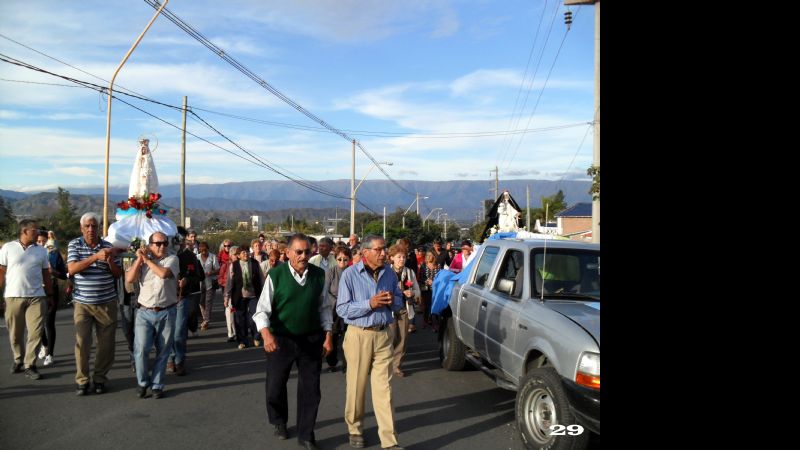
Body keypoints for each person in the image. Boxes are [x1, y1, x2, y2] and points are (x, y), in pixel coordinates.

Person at [253, 233, 333, 450]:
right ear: (287, 253)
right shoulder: (276, 275)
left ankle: (306, 434)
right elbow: (261, 310)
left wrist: (328, 335)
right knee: (275, 386)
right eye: (298, 252)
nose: (303, 256)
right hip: (281, 339)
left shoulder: (319, 275)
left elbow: (324, 307)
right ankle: (279, 420)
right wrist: (267, 334)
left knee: (311, 389)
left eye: (307, 251)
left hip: (311, 338)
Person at [336, 235, 404, 450]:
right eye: (379, 250)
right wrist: (369, 303)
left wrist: (394, 301)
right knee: (357, 387)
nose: (384, 253)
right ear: (365, 252)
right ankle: (355, 428)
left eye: (384, 249)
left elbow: (400, 300)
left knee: (385, 389)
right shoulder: (349, 275)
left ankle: (389, 441)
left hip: (384, 334)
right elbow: (342, 309)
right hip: (359, 335)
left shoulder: (389, 274)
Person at [67, 212, 123, 395]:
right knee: (82, 342)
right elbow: (72, 269)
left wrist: (108, 260)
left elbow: (117, 274)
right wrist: (94, 258)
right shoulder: (74, 244)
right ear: (81, 228)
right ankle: (82, 380)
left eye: (94, 226)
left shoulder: (108, 246)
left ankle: (99, 379)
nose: (91, 229)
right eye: (87, 226)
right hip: (83, 303)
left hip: (106, 303)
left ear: (99, 228)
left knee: (106, 345)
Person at [126, 232, 179, 399]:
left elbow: (164, 274)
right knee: (141, 349)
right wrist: (139, 260)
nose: (162, 246)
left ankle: (157, 385)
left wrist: (148, 260)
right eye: (157, 243)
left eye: (164, 243)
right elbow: (129, 279)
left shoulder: (172, 259)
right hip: (144, 312)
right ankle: (142, 382)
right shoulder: (142, 262)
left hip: (167, 311)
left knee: (163, 351)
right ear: (150, 245)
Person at [1, 219, 53, 380]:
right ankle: (18, 359)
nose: (38, 233)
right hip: (13, 296)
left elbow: (46, 274)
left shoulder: (41, 251)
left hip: (37, 296)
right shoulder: (8, 248)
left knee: (36, 332)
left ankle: (30, 364)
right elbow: (1, 272)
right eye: (34, 230)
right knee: (15, 334)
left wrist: (50, 295)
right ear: (24, 231)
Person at [168, 228, 204, 375]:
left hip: (182, 297)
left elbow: (198, 276)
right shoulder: (164, 255)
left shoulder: (191, 257)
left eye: (181, 240)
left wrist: (187, 280)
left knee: (179, 332)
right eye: (176, 240)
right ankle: (170, 358)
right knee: (167, 331)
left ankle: (179, 360)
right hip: (165, 298)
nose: (179, 243)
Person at [387, 244, 420, 378]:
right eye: (398, 257)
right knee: (391, 337)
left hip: (404, 309)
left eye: (404, 257)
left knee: (403, 338)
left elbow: (417, 290)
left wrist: (411, 293)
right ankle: (386, 365)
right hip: (389, 310)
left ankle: (397, 366)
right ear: (391, 258)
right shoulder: (386, 272)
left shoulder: (410, 272)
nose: (402, 259)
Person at [38, 233, 67, 366]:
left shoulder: (54, 255)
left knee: (49, 322)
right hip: (36, 291)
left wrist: (53, 272)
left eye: (44, 241)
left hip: (51, 290)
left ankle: (50, 354)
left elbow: (63, 275)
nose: (41, 244)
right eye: (38, 241)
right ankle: (44, 345)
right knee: (37, 323)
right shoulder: (31, 254)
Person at [226, 246, 263, 349]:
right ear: (238, 255)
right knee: (240, 319)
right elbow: (229, 283)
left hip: (253, 295)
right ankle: (242, 341)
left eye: (247, 252)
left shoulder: (255, 263)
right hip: (239, 296)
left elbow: (261, 279)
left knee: (254, 316)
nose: (245, 254)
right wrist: (226, 297)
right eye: (243, 252)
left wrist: (264, 294)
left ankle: (256, 336)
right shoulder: (234, 265)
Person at [322, 246, 351, 373]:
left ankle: (347, 365)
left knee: (348, 338)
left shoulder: (352, 272)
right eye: (339, 259)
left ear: (349, 259)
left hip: (349, 308)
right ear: (336, 259)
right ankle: (331, 363)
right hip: (333, 308)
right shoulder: (330, 272)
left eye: (345, 259)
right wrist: (337, 302)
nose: (342, 262)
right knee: (332, 336)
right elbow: (325, 291)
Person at [198, 242, 219, 331]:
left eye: (205, 250)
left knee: (208, 302)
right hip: (199, 283)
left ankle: (206, 321)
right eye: (202, 250)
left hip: (210, 282)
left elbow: (218, 269)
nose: (203, 252)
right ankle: (204, 317)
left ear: (208, 249)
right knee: (200, 302)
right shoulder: (197, 257)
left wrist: (211, 272)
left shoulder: (212, 257)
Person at [222, 244, 238, 342]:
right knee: (229, 313)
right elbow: (223, 279)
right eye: (235, 254)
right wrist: (226, 296)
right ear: (231, 255)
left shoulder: (241, 264)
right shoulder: (227, 265)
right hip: (230, 293)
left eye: (238, 254)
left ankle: (238, 332)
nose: (237, 256)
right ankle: (231, 333)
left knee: (238, 314)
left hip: (240, 294)